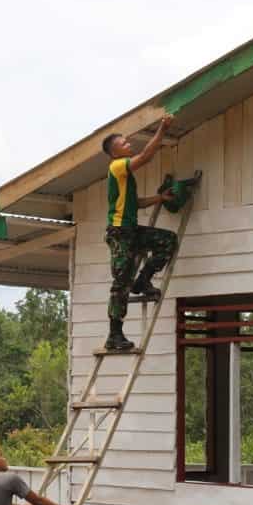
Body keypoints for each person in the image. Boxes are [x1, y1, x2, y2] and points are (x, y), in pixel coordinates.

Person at [101, 115, 178, 351]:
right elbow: (146, 156)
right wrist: (162, 129)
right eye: (124, 143)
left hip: (132, 231)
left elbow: (138, 203)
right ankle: (114, 335)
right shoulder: (117, 167)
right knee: (120, 282)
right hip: (119, 233)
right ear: (115, 153)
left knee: (167, 240)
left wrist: (160, 198)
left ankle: (143, 281)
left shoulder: (126, 178)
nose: (128, 145)